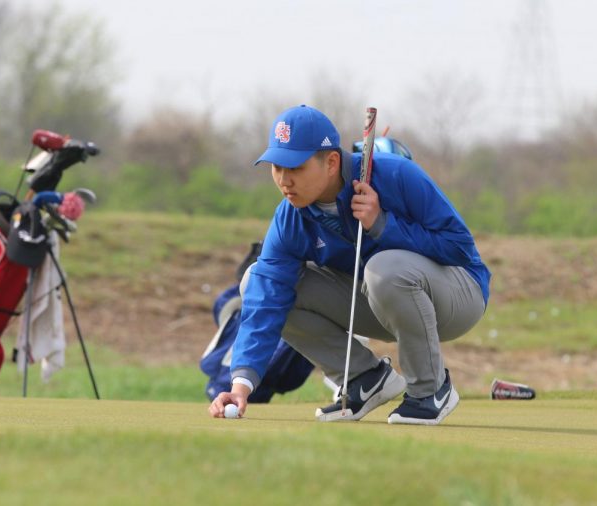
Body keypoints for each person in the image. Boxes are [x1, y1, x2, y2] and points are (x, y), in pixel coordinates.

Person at [207, 105, 490, 425]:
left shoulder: (396, 174)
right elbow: (265, 298)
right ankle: (364, 379)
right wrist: (241, 385)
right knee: (256, 281)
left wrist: (383, 225)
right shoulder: (290, 216)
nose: (284, 180)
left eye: (295, 167)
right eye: (276, 167)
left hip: (457, 296)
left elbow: (459, 248)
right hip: (380, 301)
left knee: (384, 269)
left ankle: (430, 390)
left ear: (330, 162)